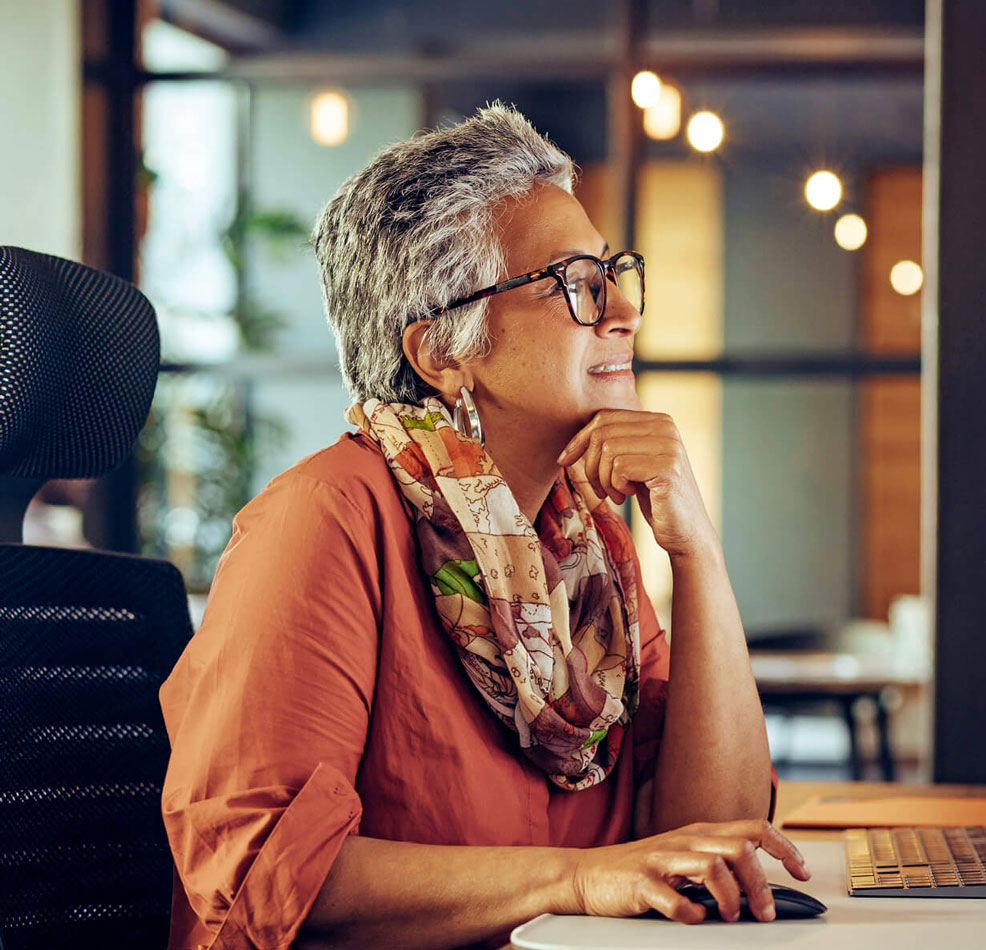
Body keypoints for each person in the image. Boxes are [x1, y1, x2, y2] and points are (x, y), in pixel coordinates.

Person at [159, 104, 805, 950]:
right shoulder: (322, 521)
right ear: (442, 353)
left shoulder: (588, 550)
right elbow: (261, 871)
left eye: (613, 273)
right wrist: (576, 880)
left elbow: (711, 840)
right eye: (574, 283)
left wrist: (699, 555)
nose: (622, 310)